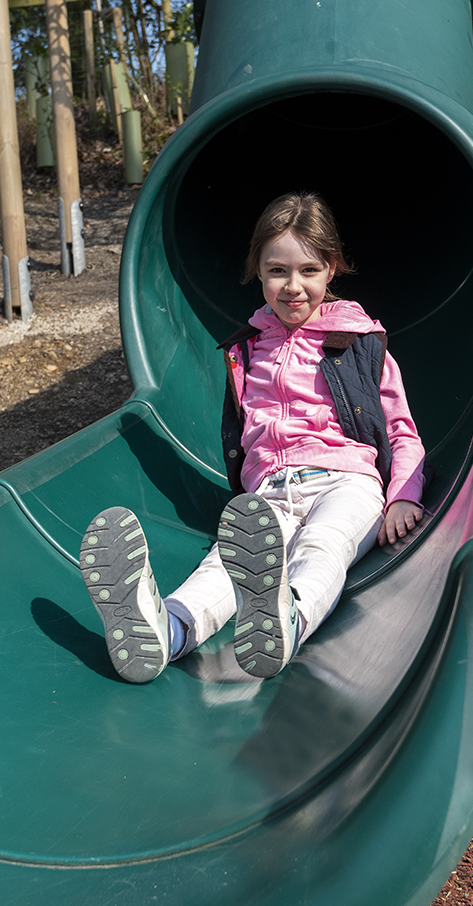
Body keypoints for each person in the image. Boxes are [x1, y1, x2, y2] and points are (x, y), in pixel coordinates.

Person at [81, 192, 425, 683]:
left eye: (308, 270)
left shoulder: (359, 342)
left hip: (347, 481)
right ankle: (164, 632)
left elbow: (400, 427)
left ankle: (288, 619)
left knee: (322, 546)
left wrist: (404, 495)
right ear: (258, 273)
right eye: (277, 271)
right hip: (269, 491)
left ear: (331, 268)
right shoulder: (248, 347)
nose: (293, 286)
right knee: (224, 566)